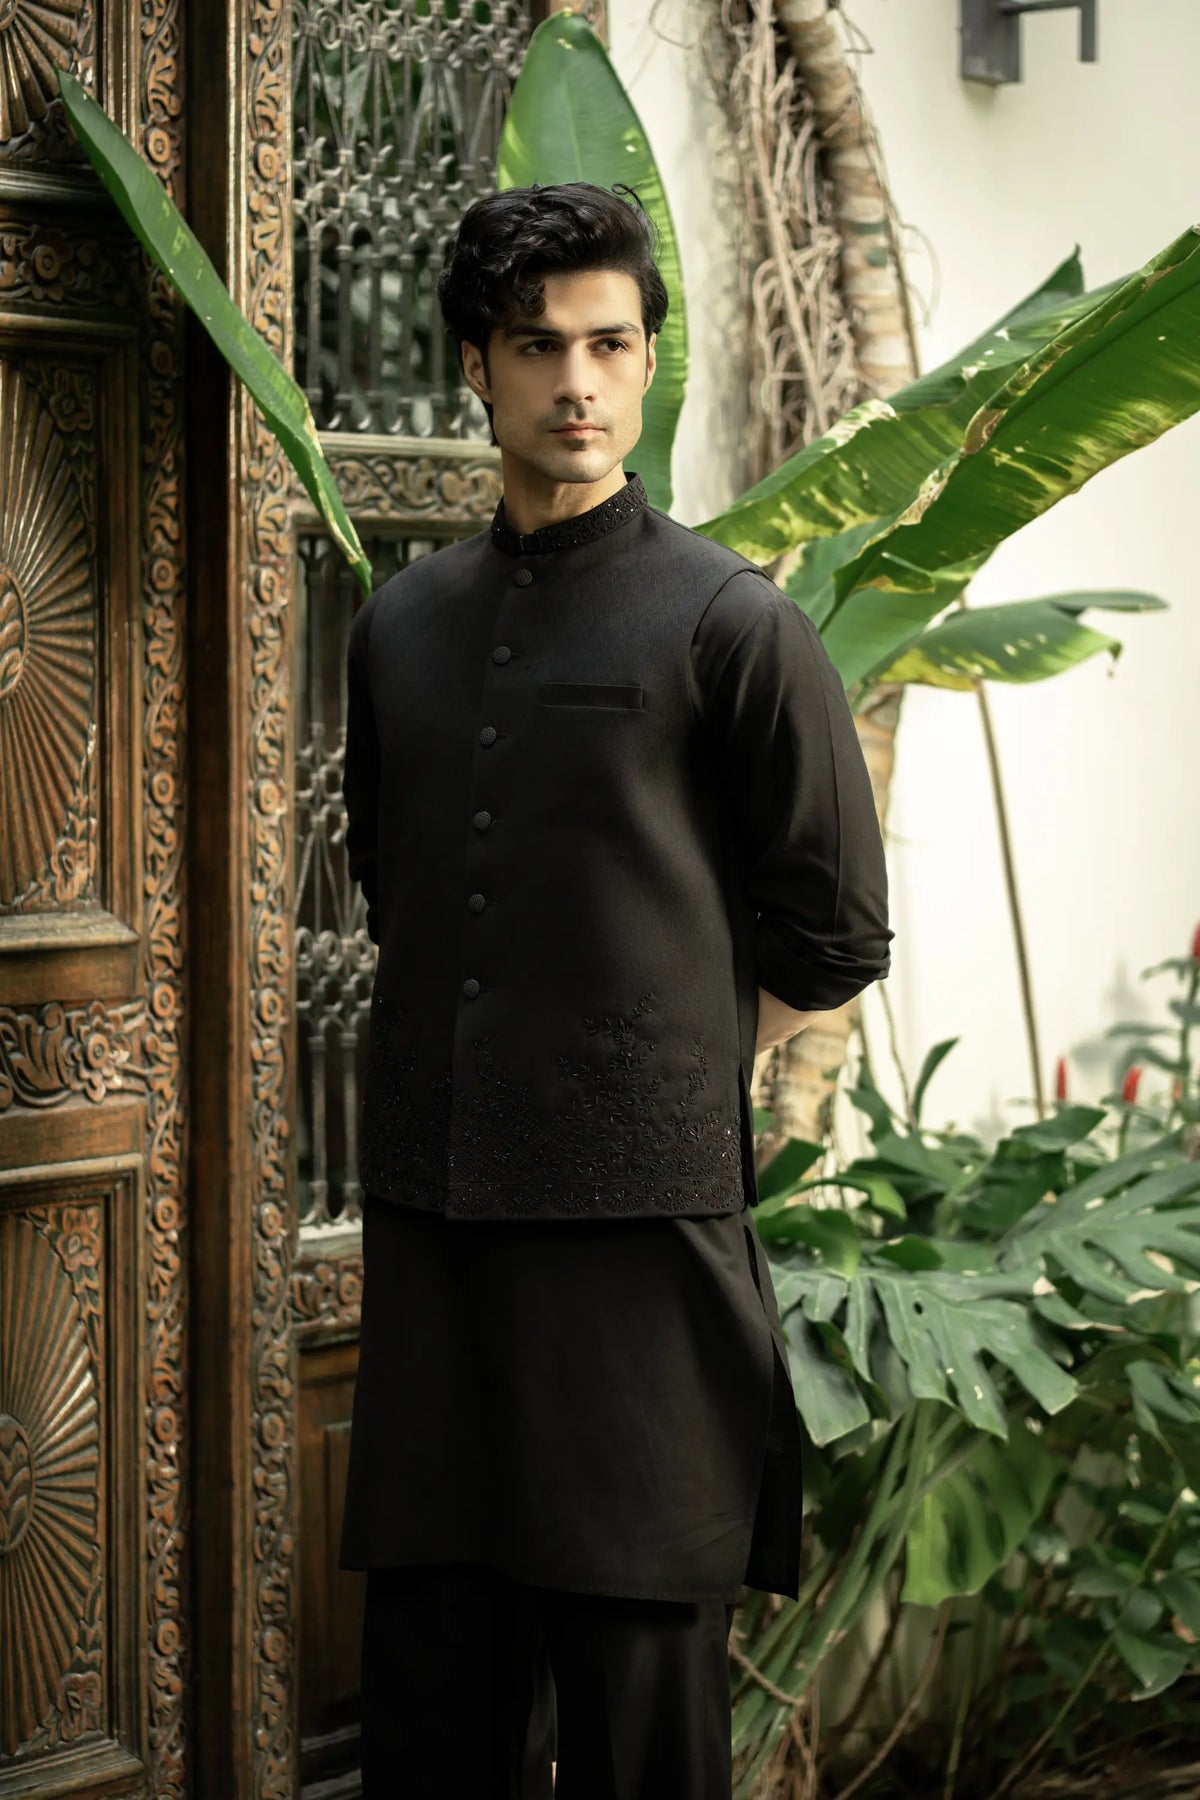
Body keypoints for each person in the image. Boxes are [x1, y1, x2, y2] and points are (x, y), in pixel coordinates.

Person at [338, 180, 892, 1799]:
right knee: (433, 1703)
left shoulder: (735, 621)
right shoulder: (401, 627)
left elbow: (836, 931)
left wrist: (671, 1065)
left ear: (648, 364)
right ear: (477, 368)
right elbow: (397, 884)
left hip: (644, 1261)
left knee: (644, 1721)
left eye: (611, 344)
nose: (577, 381)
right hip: (441, 1242)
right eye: (538, 347)